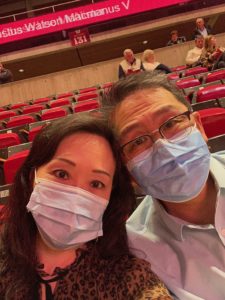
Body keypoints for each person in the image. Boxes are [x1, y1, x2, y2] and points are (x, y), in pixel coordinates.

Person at [0, 113, 172, 299]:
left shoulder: (128, 276)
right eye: (61, 174)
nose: (76, 195)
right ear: (33, 176)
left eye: (96, 184)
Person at [102, 71, 225, 300]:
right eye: (138, 141)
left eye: (171, 123)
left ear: (199, 127)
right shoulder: (136, 254)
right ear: (127, 171)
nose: (165, 149)